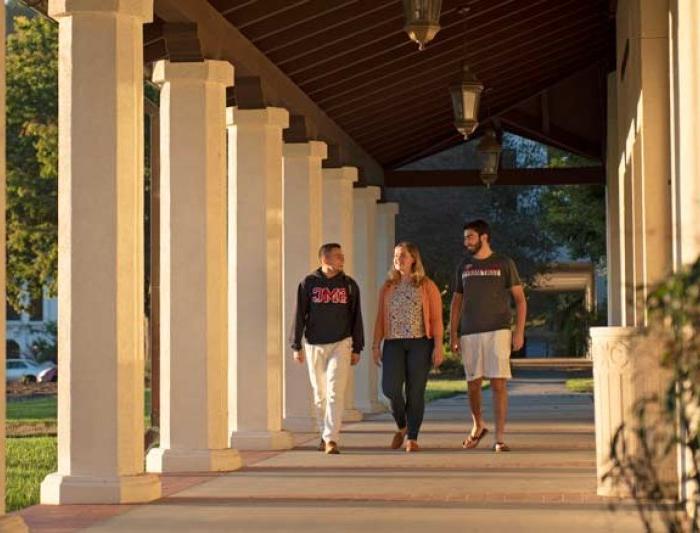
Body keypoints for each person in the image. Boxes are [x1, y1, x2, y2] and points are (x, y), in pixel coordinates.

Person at [450, 219, 526, 452]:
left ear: (484, 237)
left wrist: (519, 332)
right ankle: (478, 425)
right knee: (473, 384)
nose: (466, 242)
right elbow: (456, 302)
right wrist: (453, 333)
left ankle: (500, 438)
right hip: (470, 331)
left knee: (498, 384)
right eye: (465, 237)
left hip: (499, 330)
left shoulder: (504, 263)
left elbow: (520, 299)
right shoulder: (464, 265)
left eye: (470, 237)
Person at [290, 243, 363, 454]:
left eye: (342, 256)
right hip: (314, 344)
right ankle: (324, 433)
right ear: (325, 259)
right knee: (319, 394)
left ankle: (331, 438)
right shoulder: (309, 284)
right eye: (338, 256)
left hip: (341, 342)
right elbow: (299, 315)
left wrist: (357, 346)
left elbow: (356, 317)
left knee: (334, 392)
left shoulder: (349, 285)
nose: (342, 259)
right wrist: (296, 345)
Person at [372, 242, 444, 452]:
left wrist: (438, 346)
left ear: (413, 259)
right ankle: (402, 426)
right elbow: (380, 319)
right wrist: (376, 346)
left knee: (415, 392)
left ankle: (412, 437)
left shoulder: (426, 285)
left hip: (420, 343)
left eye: (402, 255)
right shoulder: (387, 287)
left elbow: (437, 319)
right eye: (395, 256)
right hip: (393, 343)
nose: (398, 259)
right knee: (390, 388)